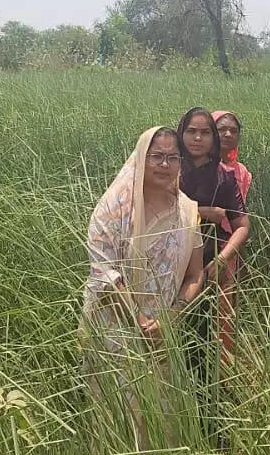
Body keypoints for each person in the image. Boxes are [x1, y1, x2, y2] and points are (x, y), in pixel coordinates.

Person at [82, 126, 204, 364]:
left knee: (162, 398)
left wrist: (170, 318)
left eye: (173, 158)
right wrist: (140, 323)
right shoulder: (112, 210)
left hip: (163, 335)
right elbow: (104, 274)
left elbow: (195, 274)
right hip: (114, 332)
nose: (165, 165)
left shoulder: (187, 211)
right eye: (157, 156)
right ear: (140, 158)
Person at [176, 107, 249, 373]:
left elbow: (242, 225)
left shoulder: (224, 177)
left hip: (205, 266)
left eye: (205, 132)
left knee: (201, 336)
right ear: (180, 134)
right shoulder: (167, 169)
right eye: (191, 131)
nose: (198, 138)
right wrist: (201, 211)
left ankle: (203, 406)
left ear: (213, 139)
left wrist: (223, 258)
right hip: (164, 261)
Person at [210, 110, 252, 358]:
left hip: (229, 249)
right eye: (221, 129)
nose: (227, 134)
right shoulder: (200, 169)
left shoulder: (242, 172)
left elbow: (241, 221)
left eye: (233, 131)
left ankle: (223, 365)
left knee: (225, 308)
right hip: (199, 246)